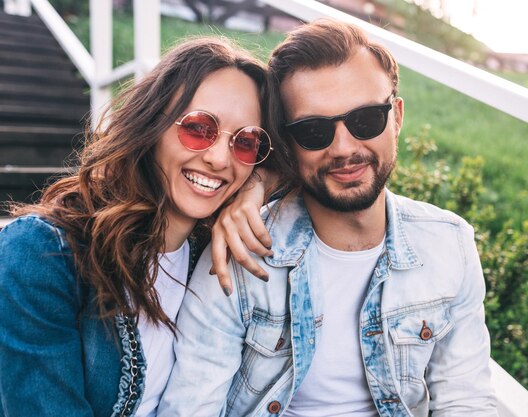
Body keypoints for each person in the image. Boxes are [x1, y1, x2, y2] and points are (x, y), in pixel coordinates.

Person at [158, 19, 498, 416]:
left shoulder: (448, 245)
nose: (343, 147)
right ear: (288, 141)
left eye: (365, 120)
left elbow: (466, 401)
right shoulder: (238, 254)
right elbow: (190, 408)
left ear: (397, 117)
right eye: (314, 131)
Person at [0, 36, 290, 417]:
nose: (220, 159)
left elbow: (315, 172)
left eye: (246, 142)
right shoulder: (43, 254)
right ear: (152, 123)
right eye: (199, 128)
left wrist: (256, 186)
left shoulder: (210, 254)